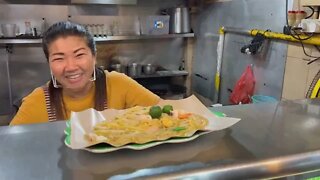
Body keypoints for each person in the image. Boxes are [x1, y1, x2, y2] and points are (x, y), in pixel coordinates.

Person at [10, 21, 160, 126]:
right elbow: (10, 147)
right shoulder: (37, 101)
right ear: (49, 62)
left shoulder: (118, 84)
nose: (71, 67)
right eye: (59, 58)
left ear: (94, 56)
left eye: (79, 55)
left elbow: (166, 113)